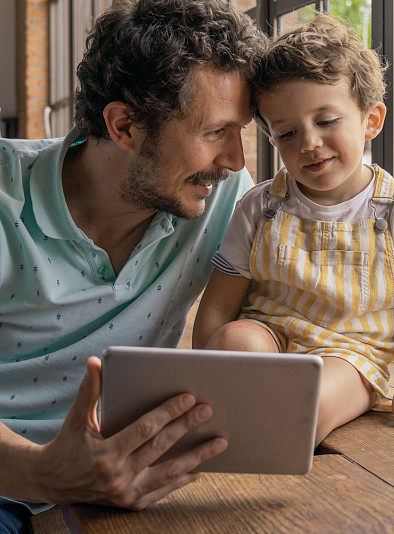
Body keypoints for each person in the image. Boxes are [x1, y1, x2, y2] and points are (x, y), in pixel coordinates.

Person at [0, 0, 266, 526]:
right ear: (124, 126)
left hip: (124, 489)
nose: (236, 160)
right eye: (215, 133)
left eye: (241, 131)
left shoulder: (223, 196)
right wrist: (45, 473)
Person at [193, 15, 394, 446]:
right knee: (234, 338)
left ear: (371, 120)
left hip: (351, 356)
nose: (308, 142)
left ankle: (265, 442)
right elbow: (218, 306)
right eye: (288, 132)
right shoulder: (259, 206)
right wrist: (204, 370)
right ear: (273, 140)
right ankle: (225, 428)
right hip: (271, 336)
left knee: (313, 401)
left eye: (326, 121)